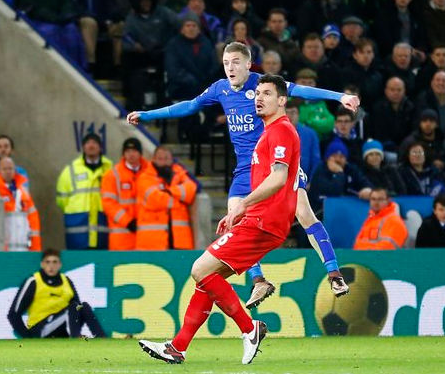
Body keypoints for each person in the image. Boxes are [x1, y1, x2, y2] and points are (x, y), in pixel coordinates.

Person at [128, 42, 359, 306]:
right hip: (244, 169)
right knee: (234, 221)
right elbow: (189, 106)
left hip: (275, 163)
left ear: (249, 64)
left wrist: (339, 97)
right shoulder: (220, 89)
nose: (230, 68)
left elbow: (302, 90)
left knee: (304, 214)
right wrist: (147, 115)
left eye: (236, 62)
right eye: (226, 63)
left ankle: (334, 273)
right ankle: (259, 281)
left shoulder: (264, 86)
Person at [138, 75, 297, 365]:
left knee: (200, 269)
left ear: (282, 100)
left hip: (264, 221)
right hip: (263, 220)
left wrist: (242, 206)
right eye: (257, 93)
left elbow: (278, 178)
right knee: (208, 280)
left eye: (267, 94)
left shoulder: (281, 131)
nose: (259, 98)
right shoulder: (269, 132)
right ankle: (178, 347)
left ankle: (250, 330)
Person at [7, 248, 107, 339]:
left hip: (62, 328)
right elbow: (13, 314)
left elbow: (77, 308)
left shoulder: (66, 281)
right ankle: (75, 339)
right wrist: (27, 337)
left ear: (60, 265)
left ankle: (101, 338)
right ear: (42, 264)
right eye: (48, 262)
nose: (51, 266)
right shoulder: (34, 282)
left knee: (83, 306)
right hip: (41, 329)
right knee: (73, 307)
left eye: (55, 262)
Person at [55, 132, 113, 250]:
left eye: (94, 143)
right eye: (88, 143)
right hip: (77, 232)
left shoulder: (110, 170)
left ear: (100, 147)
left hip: (102, 229)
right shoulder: (70, 170)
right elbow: (61, 200)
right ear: (83, 147)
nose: (91, 146)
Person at [135, 145, 198, 250]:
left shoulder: (179, 173)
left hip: (179, 240)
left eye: (166, 158)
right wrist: (180, 202)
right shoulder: (144, 177)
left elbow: (191, 189)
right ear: (153, 159)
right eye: (160, 159)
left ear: (172, 160)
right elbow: (156, 200)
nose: (163, 162)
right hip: (152, 242)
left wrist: (170, 191)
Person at [101, 137, 151, 251]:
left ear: (140, 153)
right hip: (121, 236)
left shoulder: (151, 172)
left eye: (134, 151)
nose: (131, 154)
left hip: (147, 235)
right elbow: (108, 204)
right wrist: (127, 221)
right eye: (127, 151)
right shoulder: (112, 175)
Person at [0, 156, 42, 251]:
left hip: (23, 247)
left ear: (15, 170)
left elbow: (33, 220)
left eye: (10, 169)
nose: (8, 171)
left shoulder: (23, 192)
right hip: (3, 250)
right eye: (4, 169)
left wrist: (36, 248)